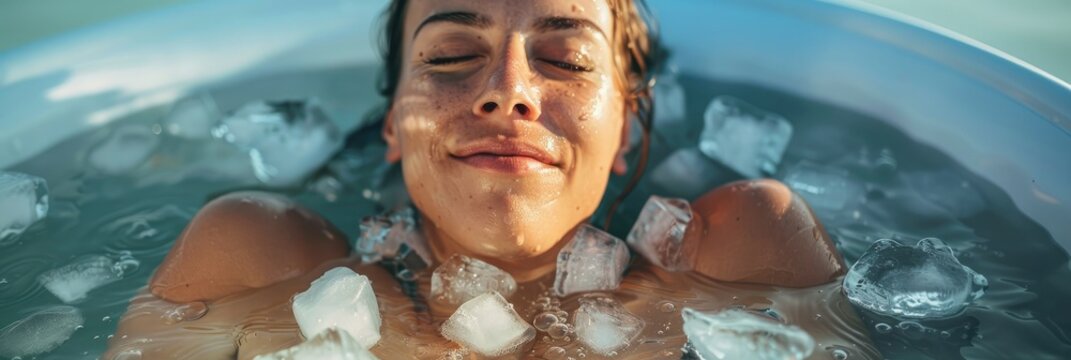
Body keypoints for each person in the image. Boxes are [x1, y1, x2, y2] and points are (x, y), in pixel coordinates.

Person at [105, 0, 875, 358]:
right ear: (389, 128)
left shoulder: (743, 252)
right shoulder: (257, 260)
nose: (508, 89)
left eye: (565, 59)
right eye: (447, 56)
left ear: (628, 129)